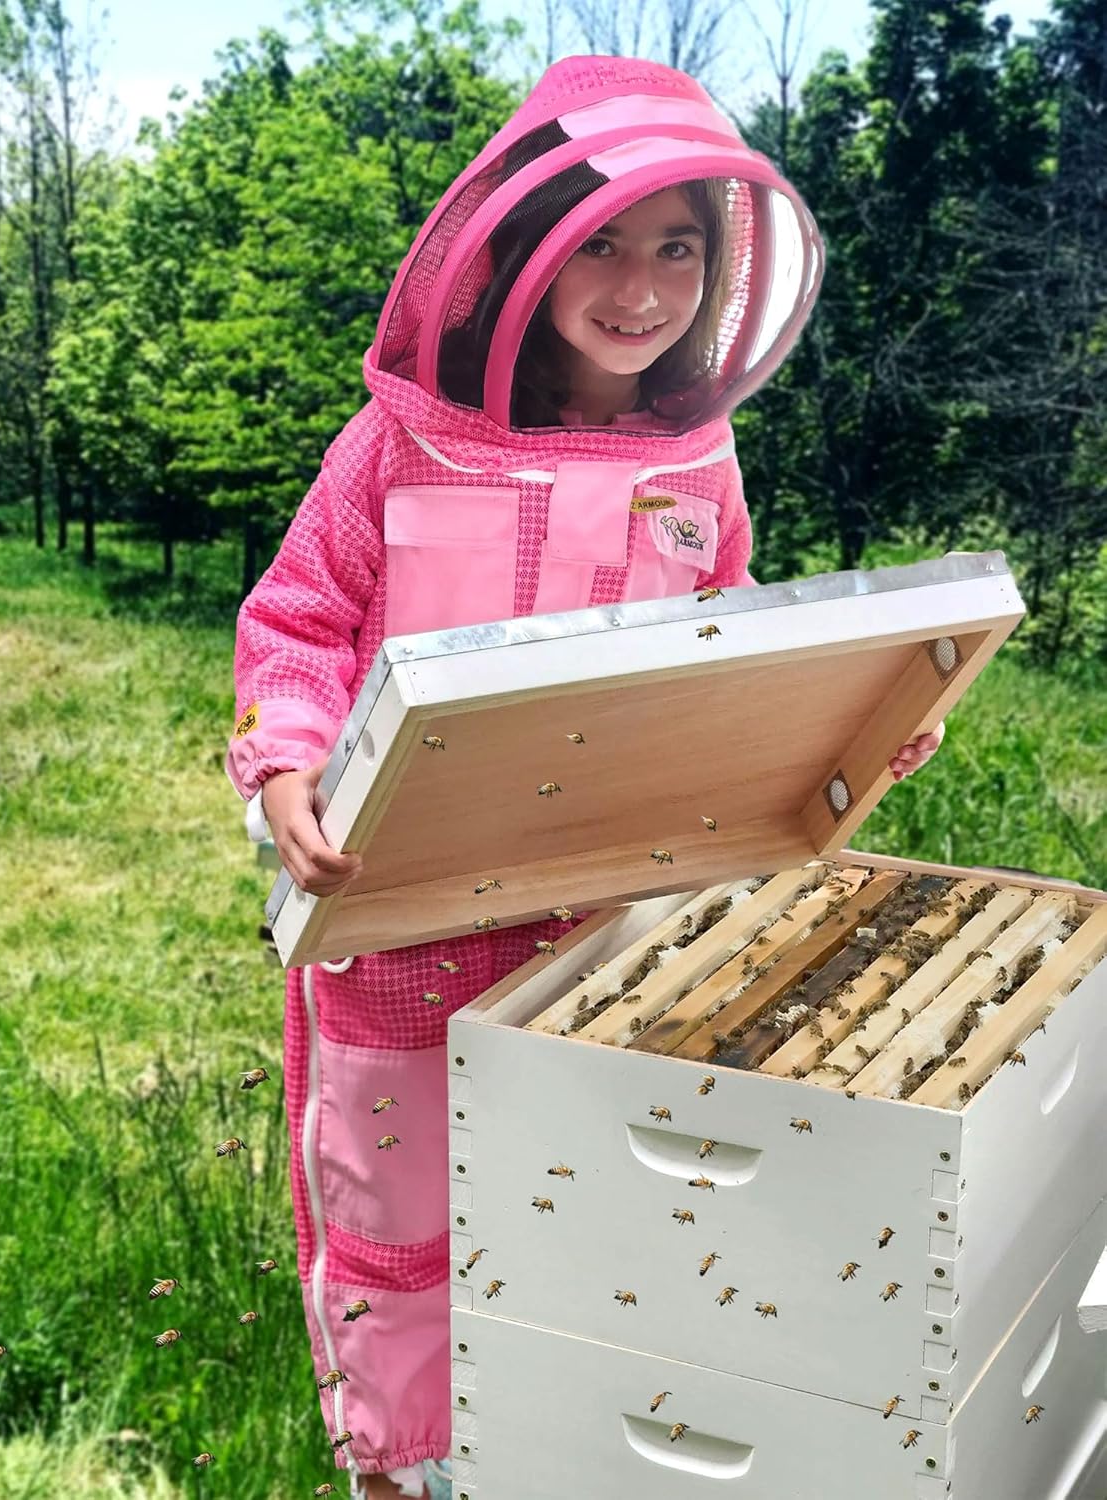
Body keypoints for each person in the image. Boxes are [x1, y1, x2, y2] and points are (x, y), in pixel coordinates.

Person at [225, 56, 943, 1499]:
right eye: (605, 241)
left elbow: (721, 650)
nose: (641, 286)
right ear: (524, 249)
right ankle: (395, 1467)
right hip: (401, 929)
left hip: (608, 931)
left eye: (679, 245)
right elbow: (298, 618)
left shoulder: (701, 461)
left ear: (725, 267)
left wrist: (844, 715)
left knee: (587, 1212)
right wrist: (288, 755)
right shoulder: (399, 443)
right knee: (403, 1212)